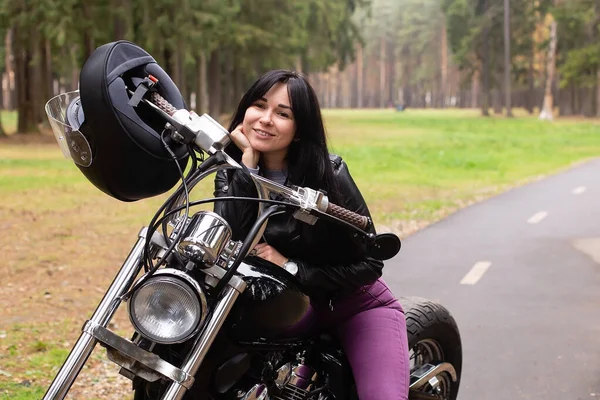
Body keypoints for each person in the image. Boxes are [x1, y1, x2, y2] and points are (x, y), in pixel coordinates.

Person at [213, 69, 410, 400]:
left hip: (354, 304)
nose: (265, 120)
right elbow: (225, 236)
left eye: (283, 113)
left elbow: (370, 263)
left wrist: (291, 266)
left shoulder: (329, 175)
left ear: (300, 128)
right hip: (287, 310)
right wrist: (248, 170)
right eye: (259, 106)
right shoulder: (232, 171)